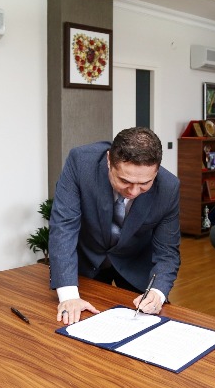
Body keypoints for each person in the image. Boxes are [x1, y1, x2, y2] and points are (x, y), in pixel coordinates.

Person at [49, 127, 181, 325]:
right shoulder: (81, 163)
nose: (134, 192)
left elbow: (167, 251)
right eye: (125, 181)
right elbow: (63, 228)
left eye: (145, 183)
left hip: (135, 269)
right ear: (109, 160)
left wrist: (158, 292)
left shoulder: (168, 187)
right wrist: (69, 296)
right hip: (86, 267)